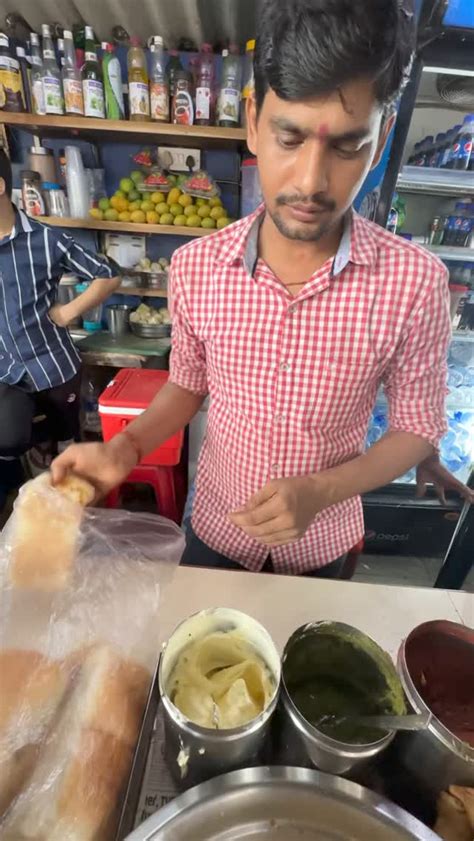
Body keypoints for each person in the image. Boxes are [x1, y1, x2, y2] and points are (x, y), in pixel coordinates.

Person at [52, 0, 471, 577]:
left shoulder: (415, 283)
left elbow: (417, 429)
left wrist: (321, 491)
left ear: (382, 138)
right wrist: (123, 450)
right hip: (218, 527)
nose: (311, 181)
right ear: (252, 122)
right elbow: (187, 385)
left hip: (324, 542)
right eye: (289, 137)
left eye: (348, 145)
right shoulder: (197, 267)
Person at [0, 149, 119, 504]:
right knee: (13, 454)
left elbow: (108, 275)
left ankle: (68, 531)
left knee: (61, 469)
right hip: (6, 376)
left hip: (53, 372)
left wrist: (68, 313)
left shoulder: (45, 240)